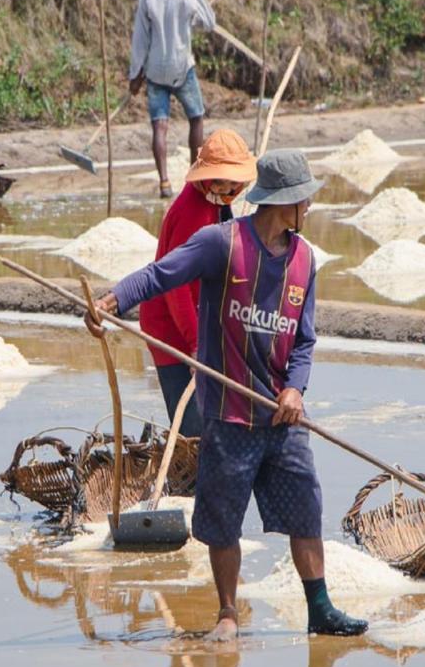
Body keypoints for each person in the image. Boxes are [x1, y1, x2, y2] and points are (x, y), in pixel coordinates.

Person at [88, 150, 368, 641]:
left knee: (306, 509)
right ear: (286, 203)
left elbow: (303, 340)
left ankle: (320, 609)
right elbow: (162, 274)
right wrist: (112, 301)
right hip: (229, 413)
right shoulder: (224, 244)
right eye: (306, 199)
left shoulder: (305, 260)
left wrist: (295, 390)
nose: (310, 208)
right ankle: (227, 615)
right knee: (222, 522)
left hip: (282, 418)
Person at [141, 128, 255, 439]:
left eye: (234, 183)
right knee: (194, 427)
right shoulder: (193, 212)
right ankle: (189, 480)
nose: (231, 188)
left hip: (200, 320)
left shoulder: (217, 203)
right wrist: (194, 346)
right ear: (209, 178)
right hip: (172, 328)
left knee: (219, 416)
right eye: (224, 182)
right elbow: (174, 288)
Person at [129, 0, 216, 199]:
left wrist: (135, 74)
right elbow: (209, 22)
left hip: (155, 69)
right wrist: (192, 23)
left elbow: (141, 38)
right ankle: (196, 178)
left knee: (160, 125)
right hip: (182, 66)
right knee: (197, 117)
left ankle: (165, 183)